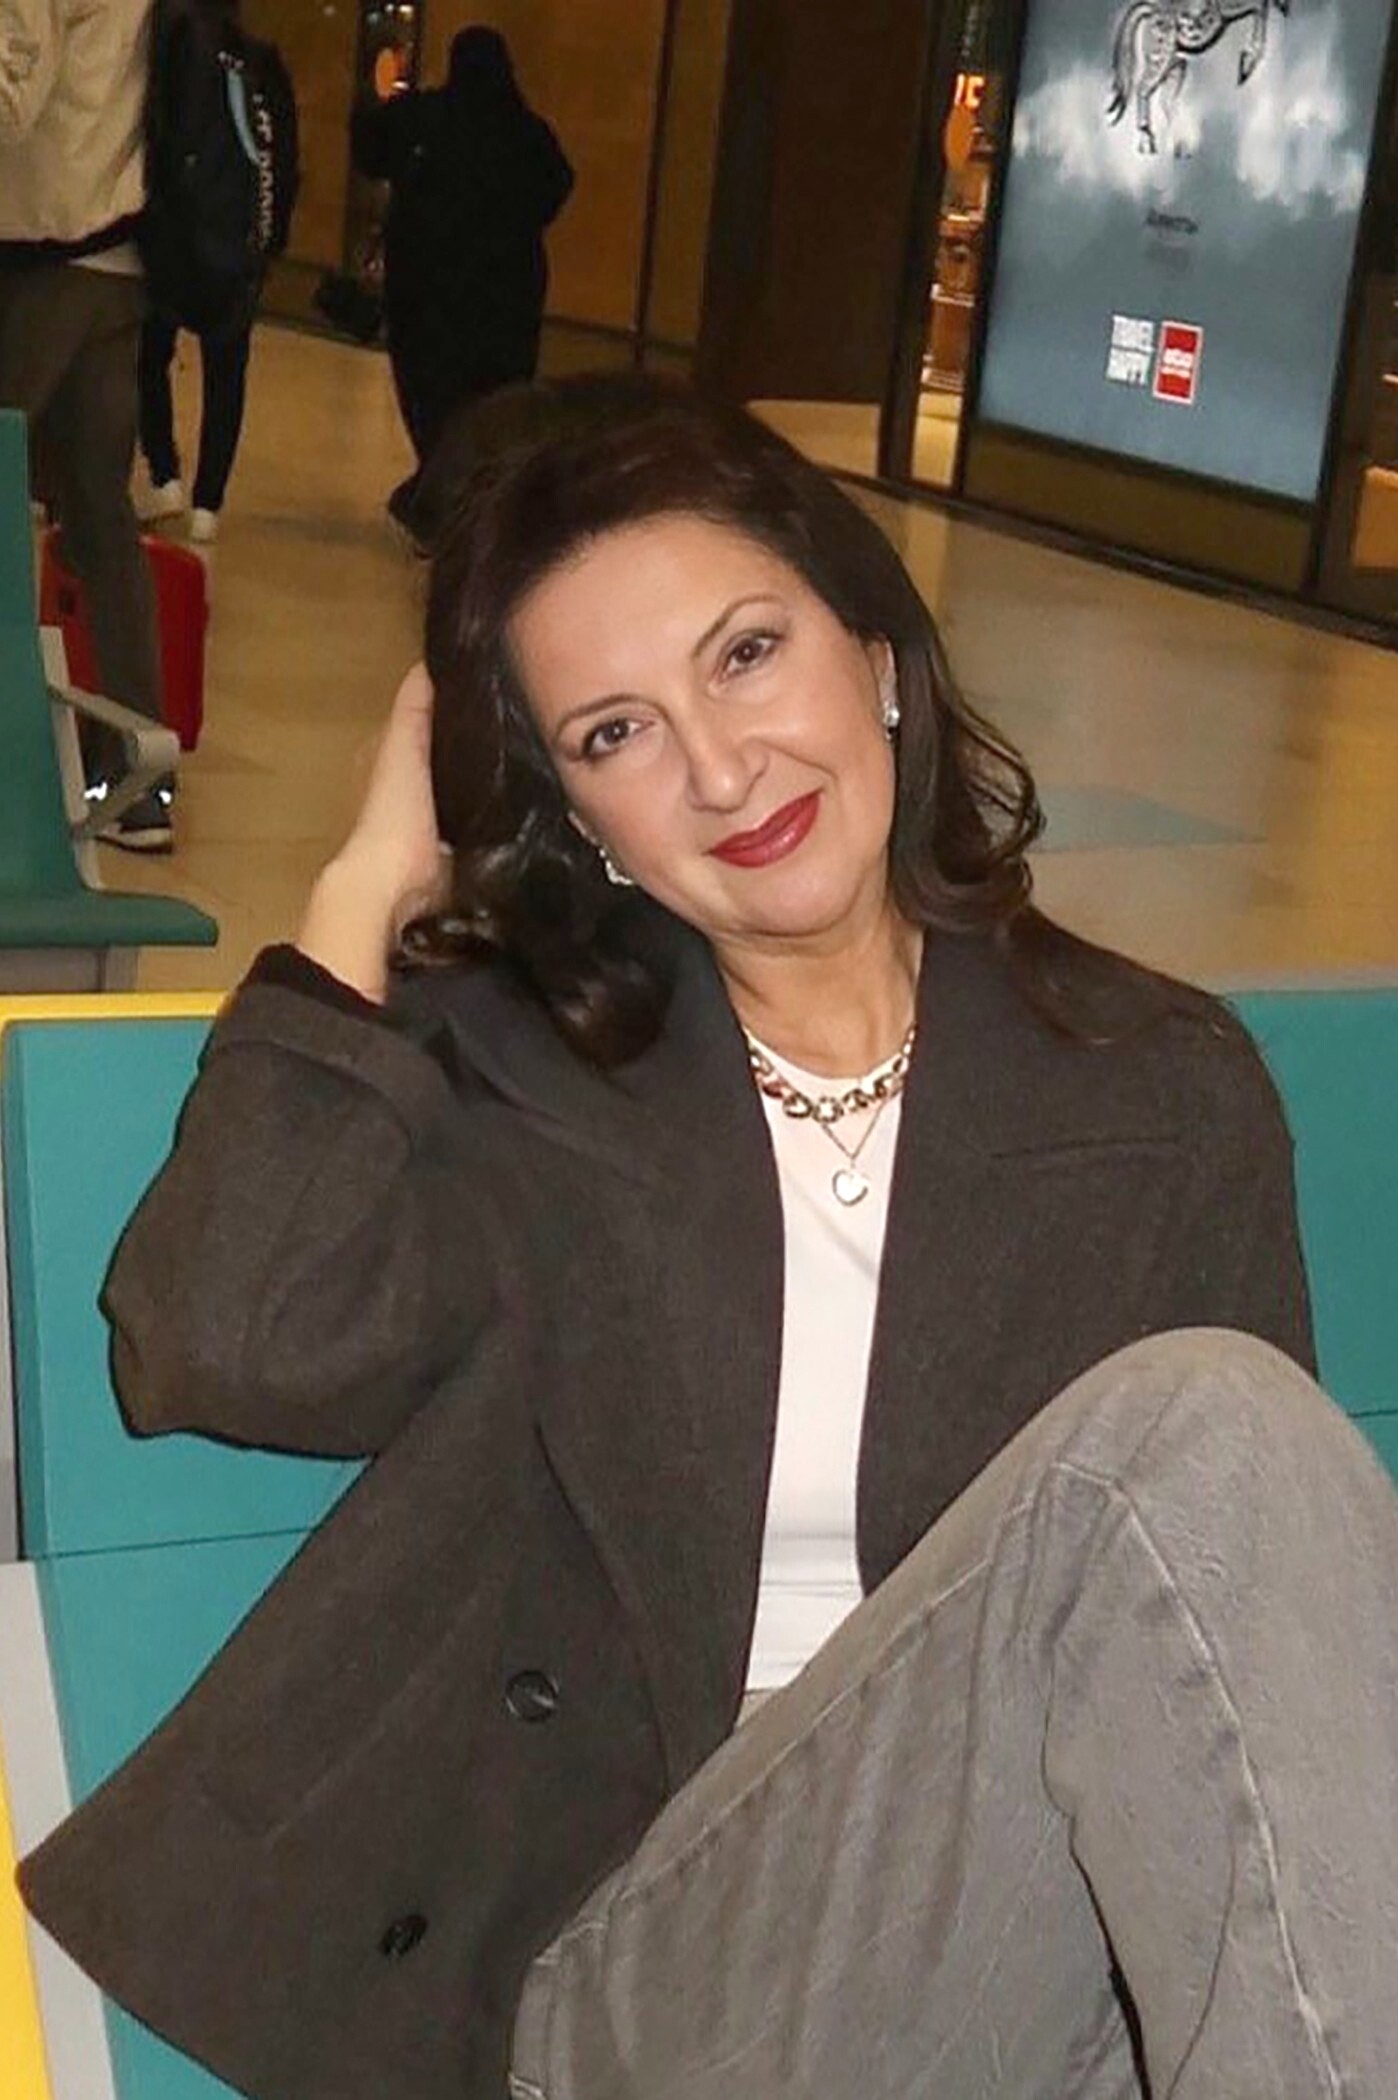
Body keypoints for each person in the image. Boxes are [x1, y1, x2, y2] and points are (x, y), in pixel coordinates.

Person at [19, 376, 1398, 2100]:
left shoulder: (1159, 1088)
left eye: (745, 655)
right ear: (573, 815)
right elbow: (221, 1339)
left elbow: (1246, 1685)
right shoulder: (520, 1086)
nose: (722, 769)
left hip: (1041, 1980)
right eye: (615, 735)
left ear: (874, 656)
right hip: (657, 1981)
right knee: (1201, 1429)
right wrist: (364, 885)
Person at [0, 0, 173, 851]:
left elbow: (12, 93)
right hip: (120, 259)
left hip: (43, 264)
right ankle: (142, 787)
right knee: (103, 521)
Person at [351, 26, 573, 526]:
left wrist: (380, 95)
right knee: (494, 400)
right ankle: (471, 492)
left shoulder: (425, 118)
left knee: (431, 394)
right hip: (505, 295)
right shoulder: (526, 133)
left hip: (425, 290)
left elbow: (370, 149)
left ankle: (439, 489)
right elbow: (556, 188)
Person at [138, 0, 299, 545]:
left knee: (149, 357)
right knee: (227, 377)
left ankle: (164, 475)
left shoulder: (176, 44)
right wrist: (271, 241)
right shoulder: (262, 63)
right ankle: (209, 502)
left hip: (175, 239)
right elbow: (284, 159)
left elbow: (157, 134)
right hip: (238, 249)